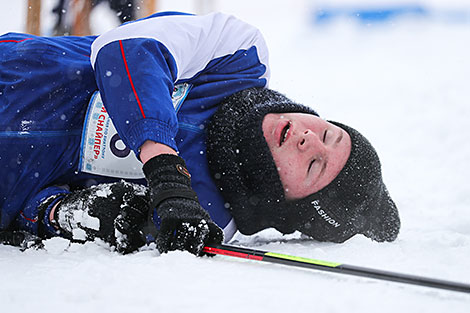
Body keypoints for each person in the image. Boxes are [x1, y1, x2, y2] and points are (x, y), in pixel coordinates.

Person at [0, 11, 400, 255]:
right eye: (328, 134)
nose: (309, 140)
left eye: (313, 165)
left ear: (287, 203)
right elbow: (124, 48)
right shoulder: (239, 56)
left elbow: (33, 211)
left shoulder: (201, 220)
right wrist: (162, 161)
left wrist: (66, 214)